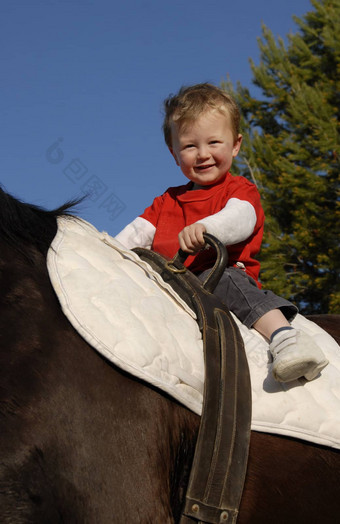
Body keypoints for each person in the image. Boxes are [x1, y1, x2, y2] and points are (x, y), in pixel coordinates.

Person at [116, 83, 328, 383]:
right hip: (174, 286)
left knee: (225, 281)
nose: (203, 154)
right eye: (190, 146)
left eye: (214, 142)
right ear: (174, 153)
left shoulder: (239, 189)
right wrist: (104, 254)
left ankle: (286, 337)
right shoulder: (166, 202)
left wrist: (207, 229)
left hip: (218, 274)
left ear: (236, 145)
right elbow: (134, 236)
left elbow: (241, 217)